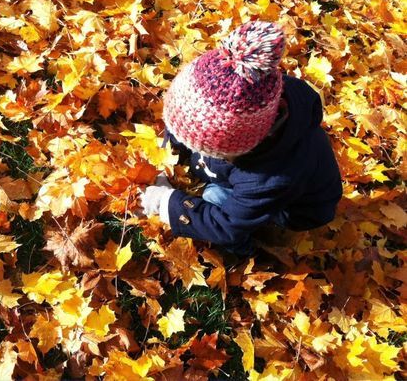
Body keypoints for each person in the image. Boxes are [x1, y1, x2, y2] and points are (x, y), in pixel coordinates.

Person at [139, 20, 343, 256]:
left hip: (294, 208)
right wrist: (164, 158)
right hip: (239, 171)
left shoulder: (272, 177)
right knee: (213, 184)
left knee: (215, 199)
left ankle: (248, 251)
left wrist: (165, 203)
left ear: (240, 147)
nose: (183, 141)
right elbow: (182, 127)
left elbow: (228, 225)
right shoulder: (261, 95)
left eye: (200, 146)